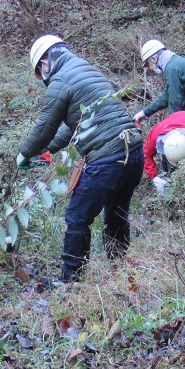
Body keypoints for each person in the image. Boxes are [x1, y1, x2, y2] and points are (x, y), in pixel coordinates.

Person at [18, 36, 144, 282]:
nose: (42, 76)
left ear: (46, 61)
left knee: (77, 217)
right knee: (116, 215)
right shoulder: (86, 69)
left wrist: (24, 153)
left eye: (40, 70)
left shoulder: (61, 79)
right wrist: (46, 153)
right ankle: (119, 272)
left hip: (107, 159)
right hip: (133, 152)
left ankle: (69, 282)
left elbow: (45, 125)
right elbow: (72, 127)